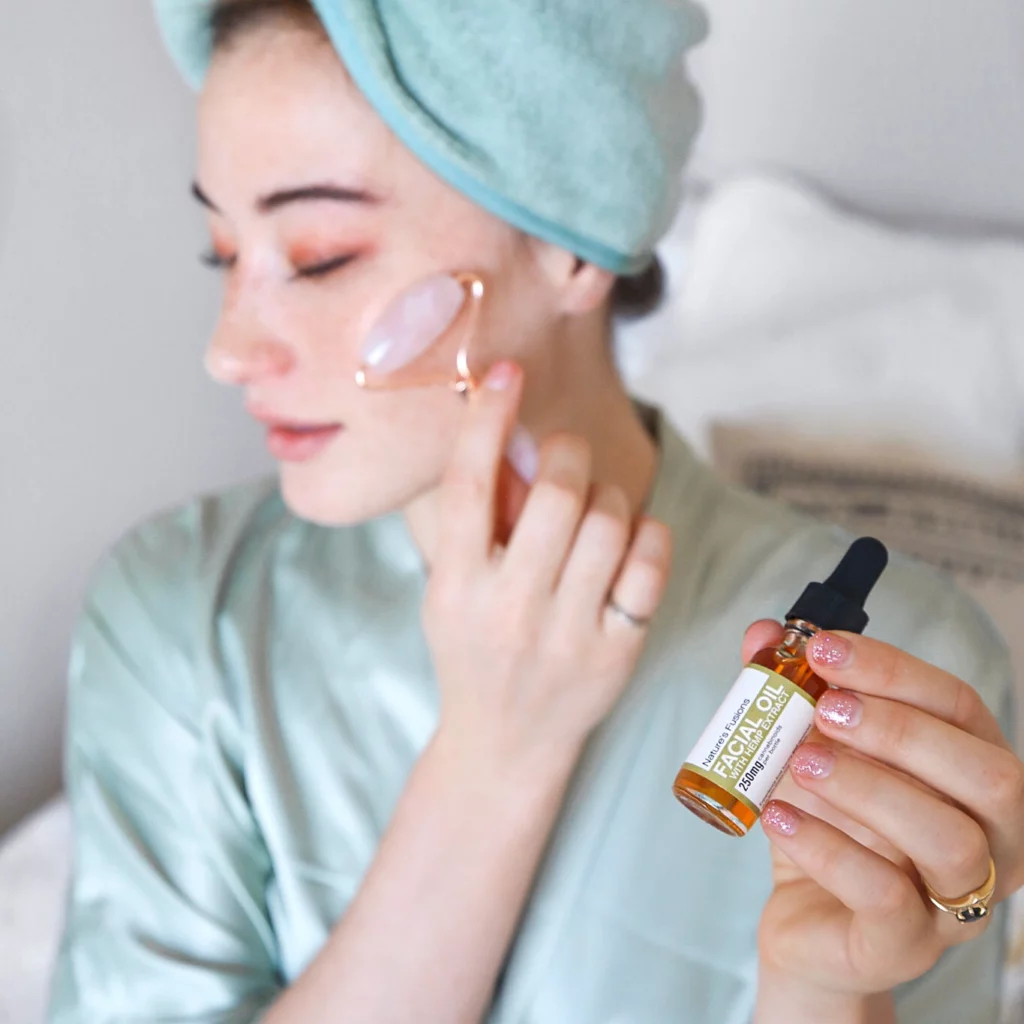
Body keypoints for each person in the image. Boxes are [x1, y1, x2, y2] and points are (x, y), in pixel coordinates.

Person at [49, 1, 1024, 1021]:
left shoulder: (893, 671)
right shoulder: (180, 616)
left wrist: (824, 989)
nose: (229, 349)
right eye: (222, 253)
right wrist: (492, 756)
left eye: (320, 254)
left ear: (571, 246)